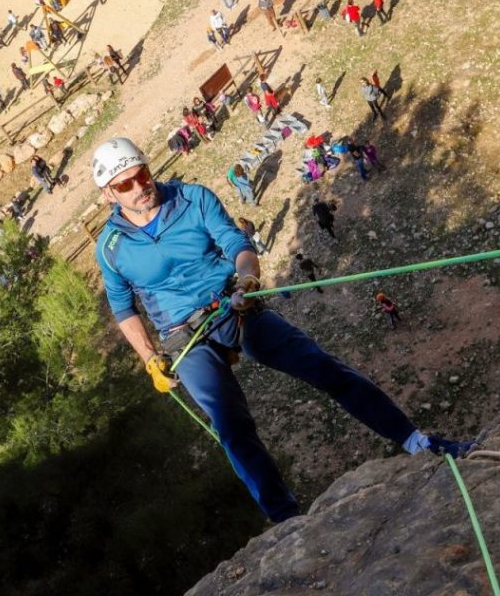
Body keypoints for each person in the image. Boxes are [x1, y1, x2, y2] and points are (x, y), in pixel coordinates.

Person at [91, 138, 474, 523]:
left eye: (142, 174)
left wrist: (247, 280)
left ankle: (416, 441)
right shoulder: (111, 246)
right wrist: (150, 358)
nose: (140, 186)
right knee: (231, 426)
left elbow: (235, 243)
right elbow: (123, 306)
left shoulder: (192, 198)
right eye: (125, 184)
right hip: (182, 336)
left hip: (231, 303)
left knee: (319, 365)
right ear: (109, 194)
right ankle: (286, 520)